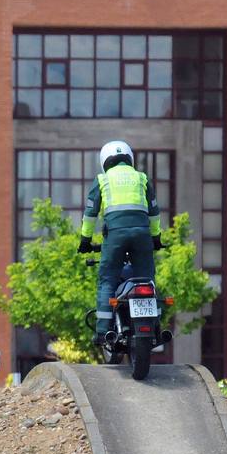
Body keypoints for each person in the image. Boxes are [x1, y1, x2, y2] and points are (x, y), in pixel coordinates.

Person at [79, 141, 163, 346]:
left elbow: (90, 214)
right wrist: (156, 239)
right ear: (129, 158)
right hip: (142, 235)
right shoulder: (142, 178)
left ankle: (102, 331)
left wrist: (85, 240)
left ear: (104, 161)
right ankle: (156, 326)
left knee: (107, 279)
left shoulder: (102, 179)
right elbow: (154, 212)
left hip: (115, 236)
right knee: (148, 278)